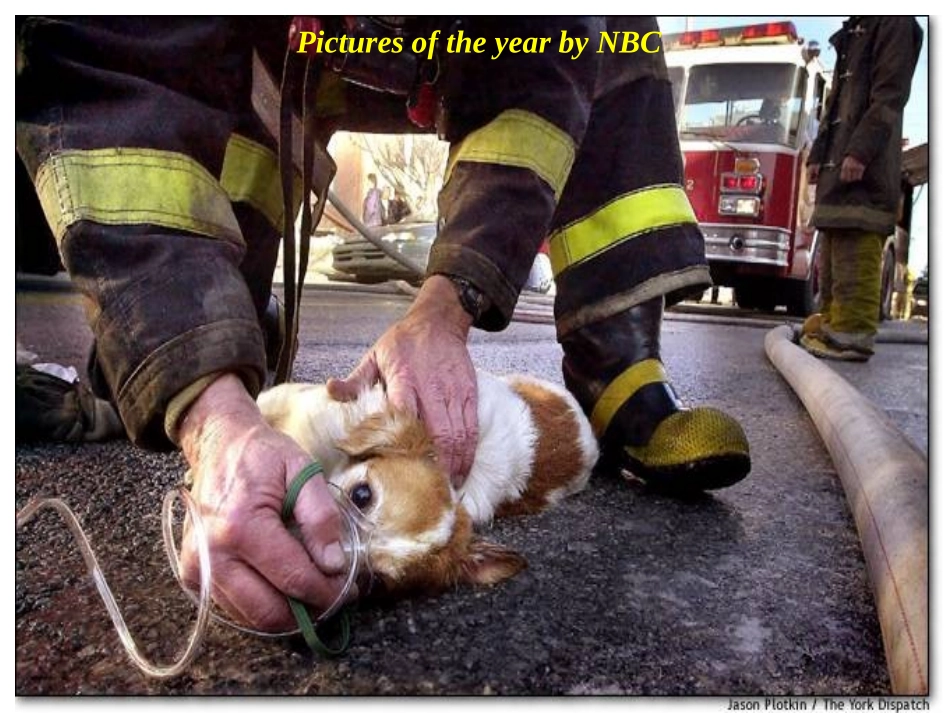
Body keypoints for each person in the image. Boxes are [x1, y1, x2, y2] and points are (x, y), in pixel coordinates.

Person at [16, 17, 750, 633]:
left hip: (473, 41)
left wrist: (445, 308)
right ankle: (214, 320)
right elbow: (108, 71)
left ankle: (620, 368)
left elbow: (537, 87)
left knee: (612, 34)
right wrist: (208, 407)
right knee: (163, 357)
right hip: (282, 38)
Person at [801, 17, 922, 361]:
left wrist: (860, 150)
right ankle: (832, 325)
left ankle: (851, 335)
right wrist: (818, 154)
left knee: (856, 242)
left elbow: (888, 96)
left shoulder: (893, 22)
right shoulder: (856, 30)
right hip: (837, 166)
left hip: (864, 170)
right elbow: (835, 105)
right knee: (832, 249)